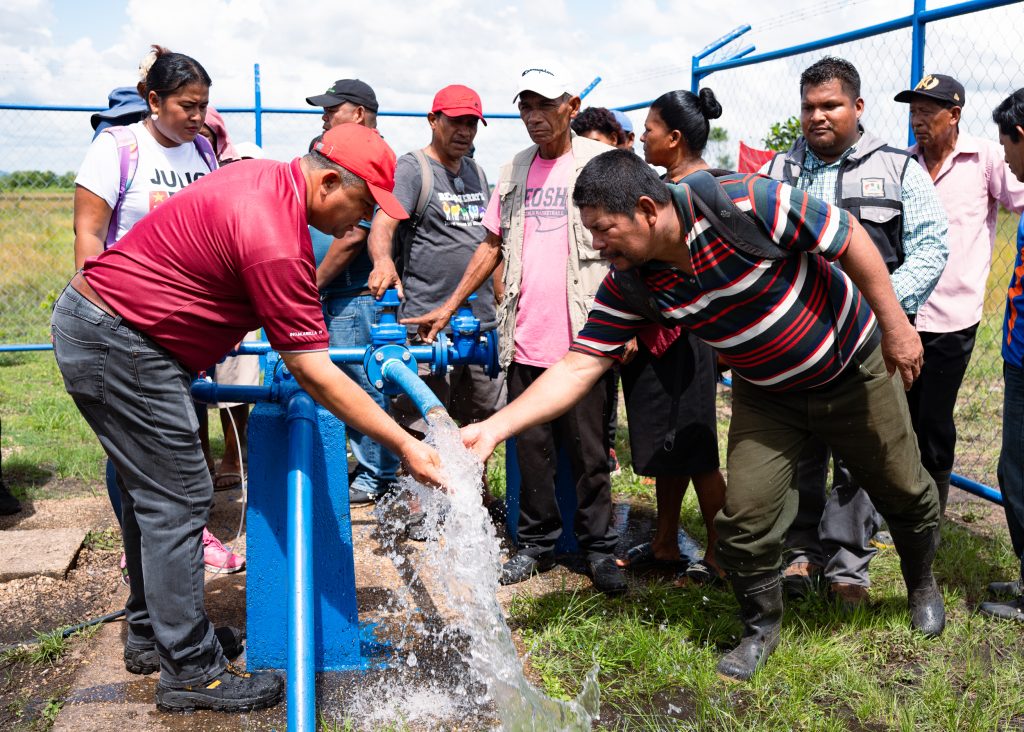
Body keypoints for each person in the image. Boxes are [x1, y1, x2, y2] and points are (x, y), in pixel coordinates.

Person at [461, 149, 945, 681]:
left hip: (851, 369)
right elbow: (579, 365)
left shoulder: (744, 201)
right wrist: (493, 428)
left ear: (647, 209)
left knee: (902, 488)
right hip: (768, 395)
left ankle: (921, 580)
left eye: (603, 229)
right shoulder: (631, 282)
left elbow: (849, 235)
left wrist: (896, 325)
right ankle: (760, 629)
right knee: (745, 522)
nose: (595, 245)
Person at [51, 121, 443, 712]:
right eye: (362, 208)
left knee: (149, 494)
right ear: (330, 180)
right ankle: (191, 674)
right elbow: (314, 370)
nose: (360, 226)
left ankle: (156, 634)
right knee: (179, 498)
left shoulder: (264, 181)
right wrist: (406, 445)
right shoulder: (276, 236)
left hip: (111, 328)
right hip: (124, 341)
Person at [407, 67, 625, 594]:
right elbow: (491, 245)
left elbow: (628, 242)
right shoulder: (513, 170)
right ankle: (536, 543)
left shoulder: (601, 165)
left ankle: (598, 549)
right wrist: (448, 306)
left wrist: (631, 321)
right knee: (532, 450)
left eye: (543, 106)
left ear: (571, 106)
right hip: (526, 336)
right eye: (525, 106)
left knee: (591, 454)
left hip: (587, 337)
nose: (532, 117)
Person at [762, 57, 948, 609]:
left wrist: (884, 308)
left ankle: (849, 567)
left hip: (867, 343)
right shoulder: (777, 172)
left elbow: (932, 246)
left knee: (860, 455)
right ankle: (801, 553)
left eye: (831, 105)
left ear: (858, 107)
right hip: (795, 342)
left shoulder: (898, 170)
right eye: (809, 107)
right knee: (800, 449)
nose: (817, 117)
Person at [73, 49, 244, 577]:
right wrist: (100, 313)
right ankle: (140, 539)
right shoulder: (118, 148)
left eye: (204, 106)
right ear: (153, 101)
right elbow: (89, 235)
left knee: (187, 430)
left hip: (187, 328)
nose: (198, 117)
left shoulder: (202, 153)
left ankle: (186, 534)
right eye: (187, 106)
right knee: (130, 444)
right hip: (126, 321)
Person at [895, 73, 1024, 520]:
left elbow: (1020, 201)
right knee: (901, 415)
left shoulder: (986, 158)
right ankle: (902, 507)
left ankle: (932, 512)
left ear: (954, 115)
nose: (917, 120)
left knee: (933, 419)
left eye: (927, 111)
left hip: (953, 317)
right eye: (913, 112)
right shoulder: (904, 165)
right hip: (904, 312)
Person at [613, 89, 728, 585]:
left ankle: (724, 555)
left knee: (698, 451)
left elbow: (701, 274)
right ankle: (663, 542)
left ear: (675, 138)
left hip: (683, 335)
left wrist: (651, 324)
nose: (642, 135)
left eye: (651, 128)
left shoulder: (699, 191)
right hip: (657, 334)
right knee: (671, 446)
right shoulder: (667, 187)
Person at [366, 85, 504, 440]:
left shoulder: (476, 171)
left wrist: (501, 290)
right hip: (428, 324)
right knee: (422, 421)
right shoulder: (414, 168)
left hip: (480, 324)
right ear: (433, 120)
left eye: (472, 123)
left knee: (481, 418)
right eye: (456, 122)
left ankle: (476, 494)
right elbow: (384, 221)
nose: (465, 131)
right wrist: (382, 261)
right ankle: (418, 497)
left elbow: (488, 239)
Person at [306, 78, 398, 504]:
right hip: (339, 293)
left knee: (363, 381)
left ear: (357, 113)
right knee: (345, 379)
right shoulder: (337, 153)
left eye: (332, 109)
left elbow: (352, 237)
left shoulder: (367, 162)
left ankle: (377, 474)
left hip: (354, 294)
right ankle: (369, 467)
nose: (324, 117)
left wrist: (313, 285)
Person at [981, 89, 1024, 622]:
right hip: (1016, 356)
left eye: (1007, 146)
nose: (1007, 159)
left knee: (1018, 472)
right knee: (1014, 469)